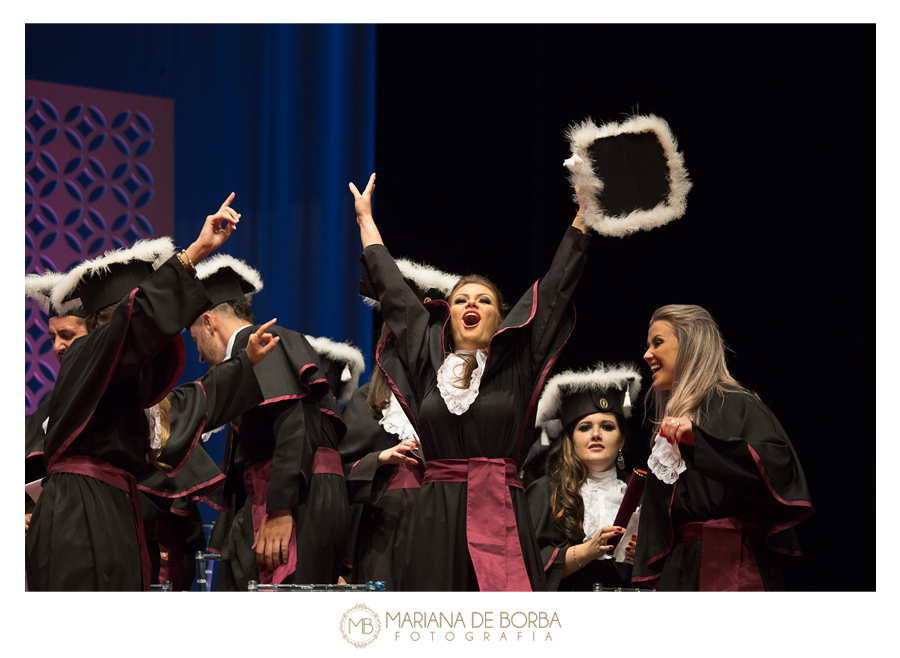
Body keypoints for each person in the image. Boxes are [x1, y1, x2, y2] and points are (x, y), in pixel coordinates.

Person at [349, 173, 592, 591]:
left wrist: (584, 217)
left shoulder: (519, 362)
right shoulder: (428, 360)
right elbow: (394, 294)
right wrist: (365, 221)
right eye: (461, 299)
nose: (471, 304)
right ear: (450, 315)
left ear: (502, 318)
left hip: (500, 511)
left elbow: (555, 289)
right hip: (434, 517)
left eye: (483, 300)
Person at [24, 194, 261, 590]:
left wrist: (245, 362)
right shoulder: (89, 352)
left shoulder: (120, 388)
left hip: (107, 507)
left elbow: (197, 400)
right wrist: (196, 252)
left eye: (65, 334)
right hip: (80, 514)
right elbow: (138, 322)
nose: (60, 345)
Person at [190, 254, 350, 589]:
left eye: (195, 340)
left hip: (292, 495)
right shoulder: (254, 351)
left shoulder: (263, 344)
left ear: (209, 322)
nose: (200, 356)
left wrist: (279, 511)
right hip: (293, 489)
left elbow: (293, 423)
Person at [631, 304, 814, 591]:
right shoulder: (667, 425)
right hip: (680, 573)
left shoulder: (738, 403)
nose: (647, 354)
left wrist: (699, 442)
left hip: (735, 567)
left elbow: (777, 468)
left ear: (690, 345)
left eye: (658, 342)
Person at [339, 257, 457, 590]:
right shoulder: (368, 400)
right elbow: (338, 475)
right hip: (386, 533)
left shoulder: (461, 394)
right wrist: (379, 459)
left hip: (447, 524)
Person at [526, 364, 641, 591]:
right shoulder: (544, 492)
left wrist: (646, 556)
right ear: (571, 439)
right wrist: (588, 550)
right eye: (585, 427)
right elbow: (529, 567)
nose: (596, 434)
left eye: (607, 427)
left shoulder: (640, 492)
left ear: (621, 441)